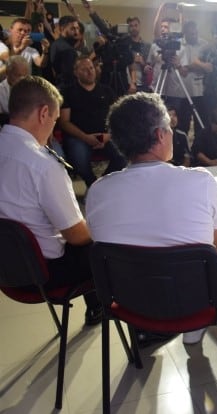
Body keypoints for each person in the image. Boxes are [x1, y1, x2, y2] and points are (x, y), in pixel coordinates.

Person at [86, 92, 217, 345]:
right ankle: (192, 328)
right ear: (160, 135)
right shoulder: (201, 181)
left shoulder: (98, 191)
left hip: (130, 302)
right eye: (170, 128)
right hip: (194, 300)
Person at [0, 75, 102, 326]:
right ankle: (140, 323)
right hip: (45, 272)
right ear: (44, 113)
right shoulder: (42, 165)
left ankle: (98, 306)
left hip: (6, 268)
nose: (52, 131)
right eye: (55, 120)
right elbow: (77, 236)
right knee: (108, 244)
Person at [58, 56, 126, 188]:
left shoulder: (107, 91)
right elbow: (64, 122)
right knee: (78, 157)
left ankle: (102, 185)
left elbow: (118, 117)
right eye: (84, 69)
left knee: (123, 154)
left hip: (105, 135)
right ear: (76, 72)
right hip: (79, 136)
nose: (90, 72)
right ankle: (93, 184)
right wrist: (85, 138)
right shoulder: (68, 92)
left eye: (91, 68)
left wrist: (108, 136)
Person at [49, 15, 80, 88]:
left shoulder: (58, 44)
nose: (76, 32)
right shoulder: (65, 48)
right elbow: (68, 75)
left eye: (77, 28)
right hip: (67, 89)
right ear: (62, 29)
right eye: (72, 29)